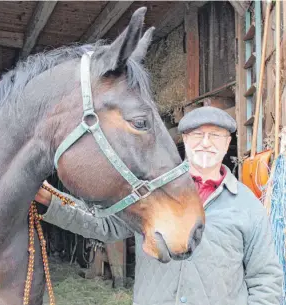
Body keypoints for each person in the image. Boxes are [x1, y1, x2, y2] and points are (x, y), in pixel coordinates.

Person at [35, 106, 283, 305]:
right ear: (184, 139)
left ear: (227, 141)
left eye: (215, 135)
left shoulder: (247, 206)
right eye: (197, 134)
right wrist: (51, 201)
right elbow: (104, 225)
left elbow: (266, 279)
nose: (206, 142)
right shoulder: (150, 194)